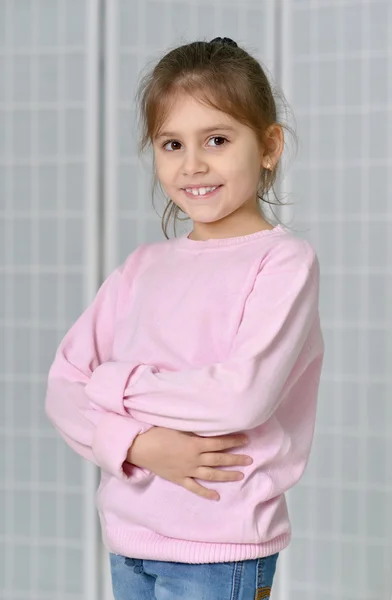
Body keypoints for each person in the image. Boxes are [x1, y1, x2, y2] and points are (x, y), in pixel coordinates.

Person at [46, 37, 324, 600]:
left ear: (269, 146)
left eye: (216, 140)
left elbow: (237, 399)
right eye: (172, 143)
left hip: (220, 551)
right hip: (131, 542)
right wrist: (137, 444)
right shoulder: (140, 269)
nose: (192, 165)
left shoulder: (282, 262)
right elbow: (60, 391)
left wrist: (111, 386)